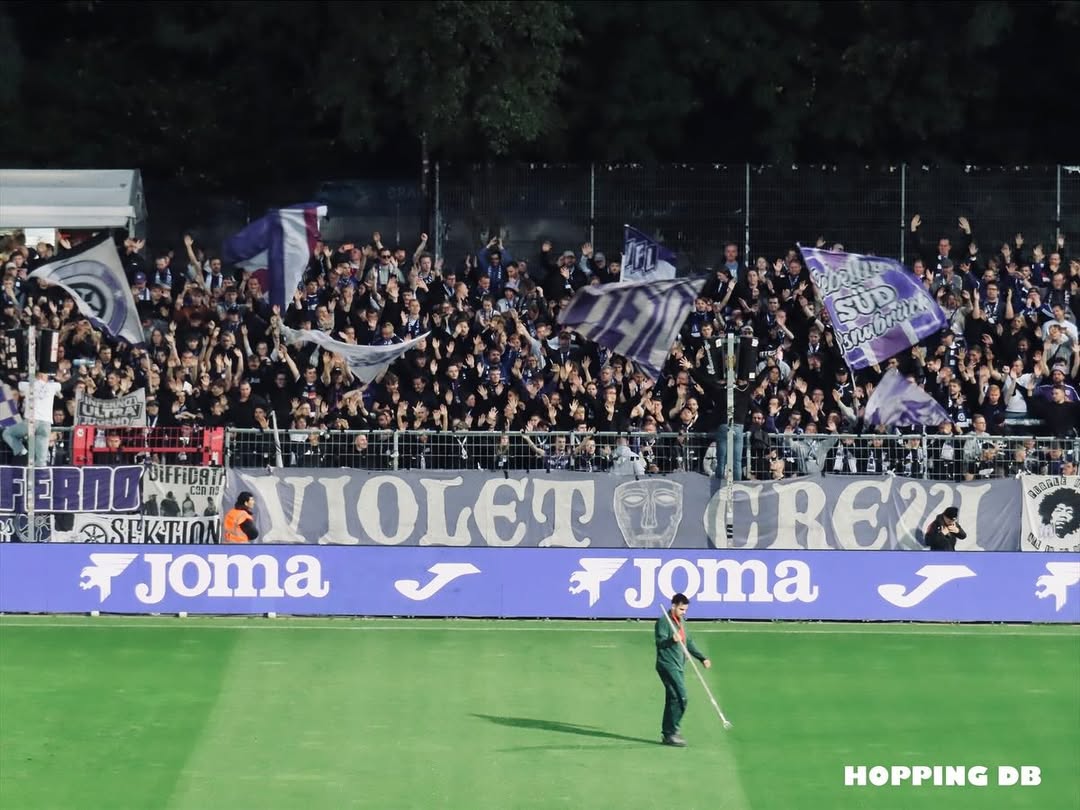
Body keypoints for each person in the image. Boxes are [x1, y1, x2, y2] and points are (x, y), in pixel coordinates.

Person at [655, 593, 711, 747]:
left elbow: (688, 642)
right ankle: (672, 730)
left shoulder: (681, 622)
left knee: (673, 697)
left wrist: (702, 658)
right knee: (682, 698)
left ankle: (668, 733)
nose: (683, 612)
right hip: (668, 665)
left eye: (685, 610)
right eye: (681, 609)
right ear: (673, 606)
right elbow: (660, 643)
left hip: (678, 666)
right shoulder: (664, 622)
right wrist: (671, 640)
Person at [2, 371, 62, 465]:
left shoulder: (27, 385)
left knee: (7, 433)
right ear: (42, 375)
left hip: (31, 422)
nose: (48, 377)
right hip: (45, 424)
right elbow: (63, 385)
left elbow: (14, 383)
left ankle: (23, 451)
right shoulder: (53, 386)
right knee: (41, 460)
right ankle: (40, 478)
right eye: (47, 375)